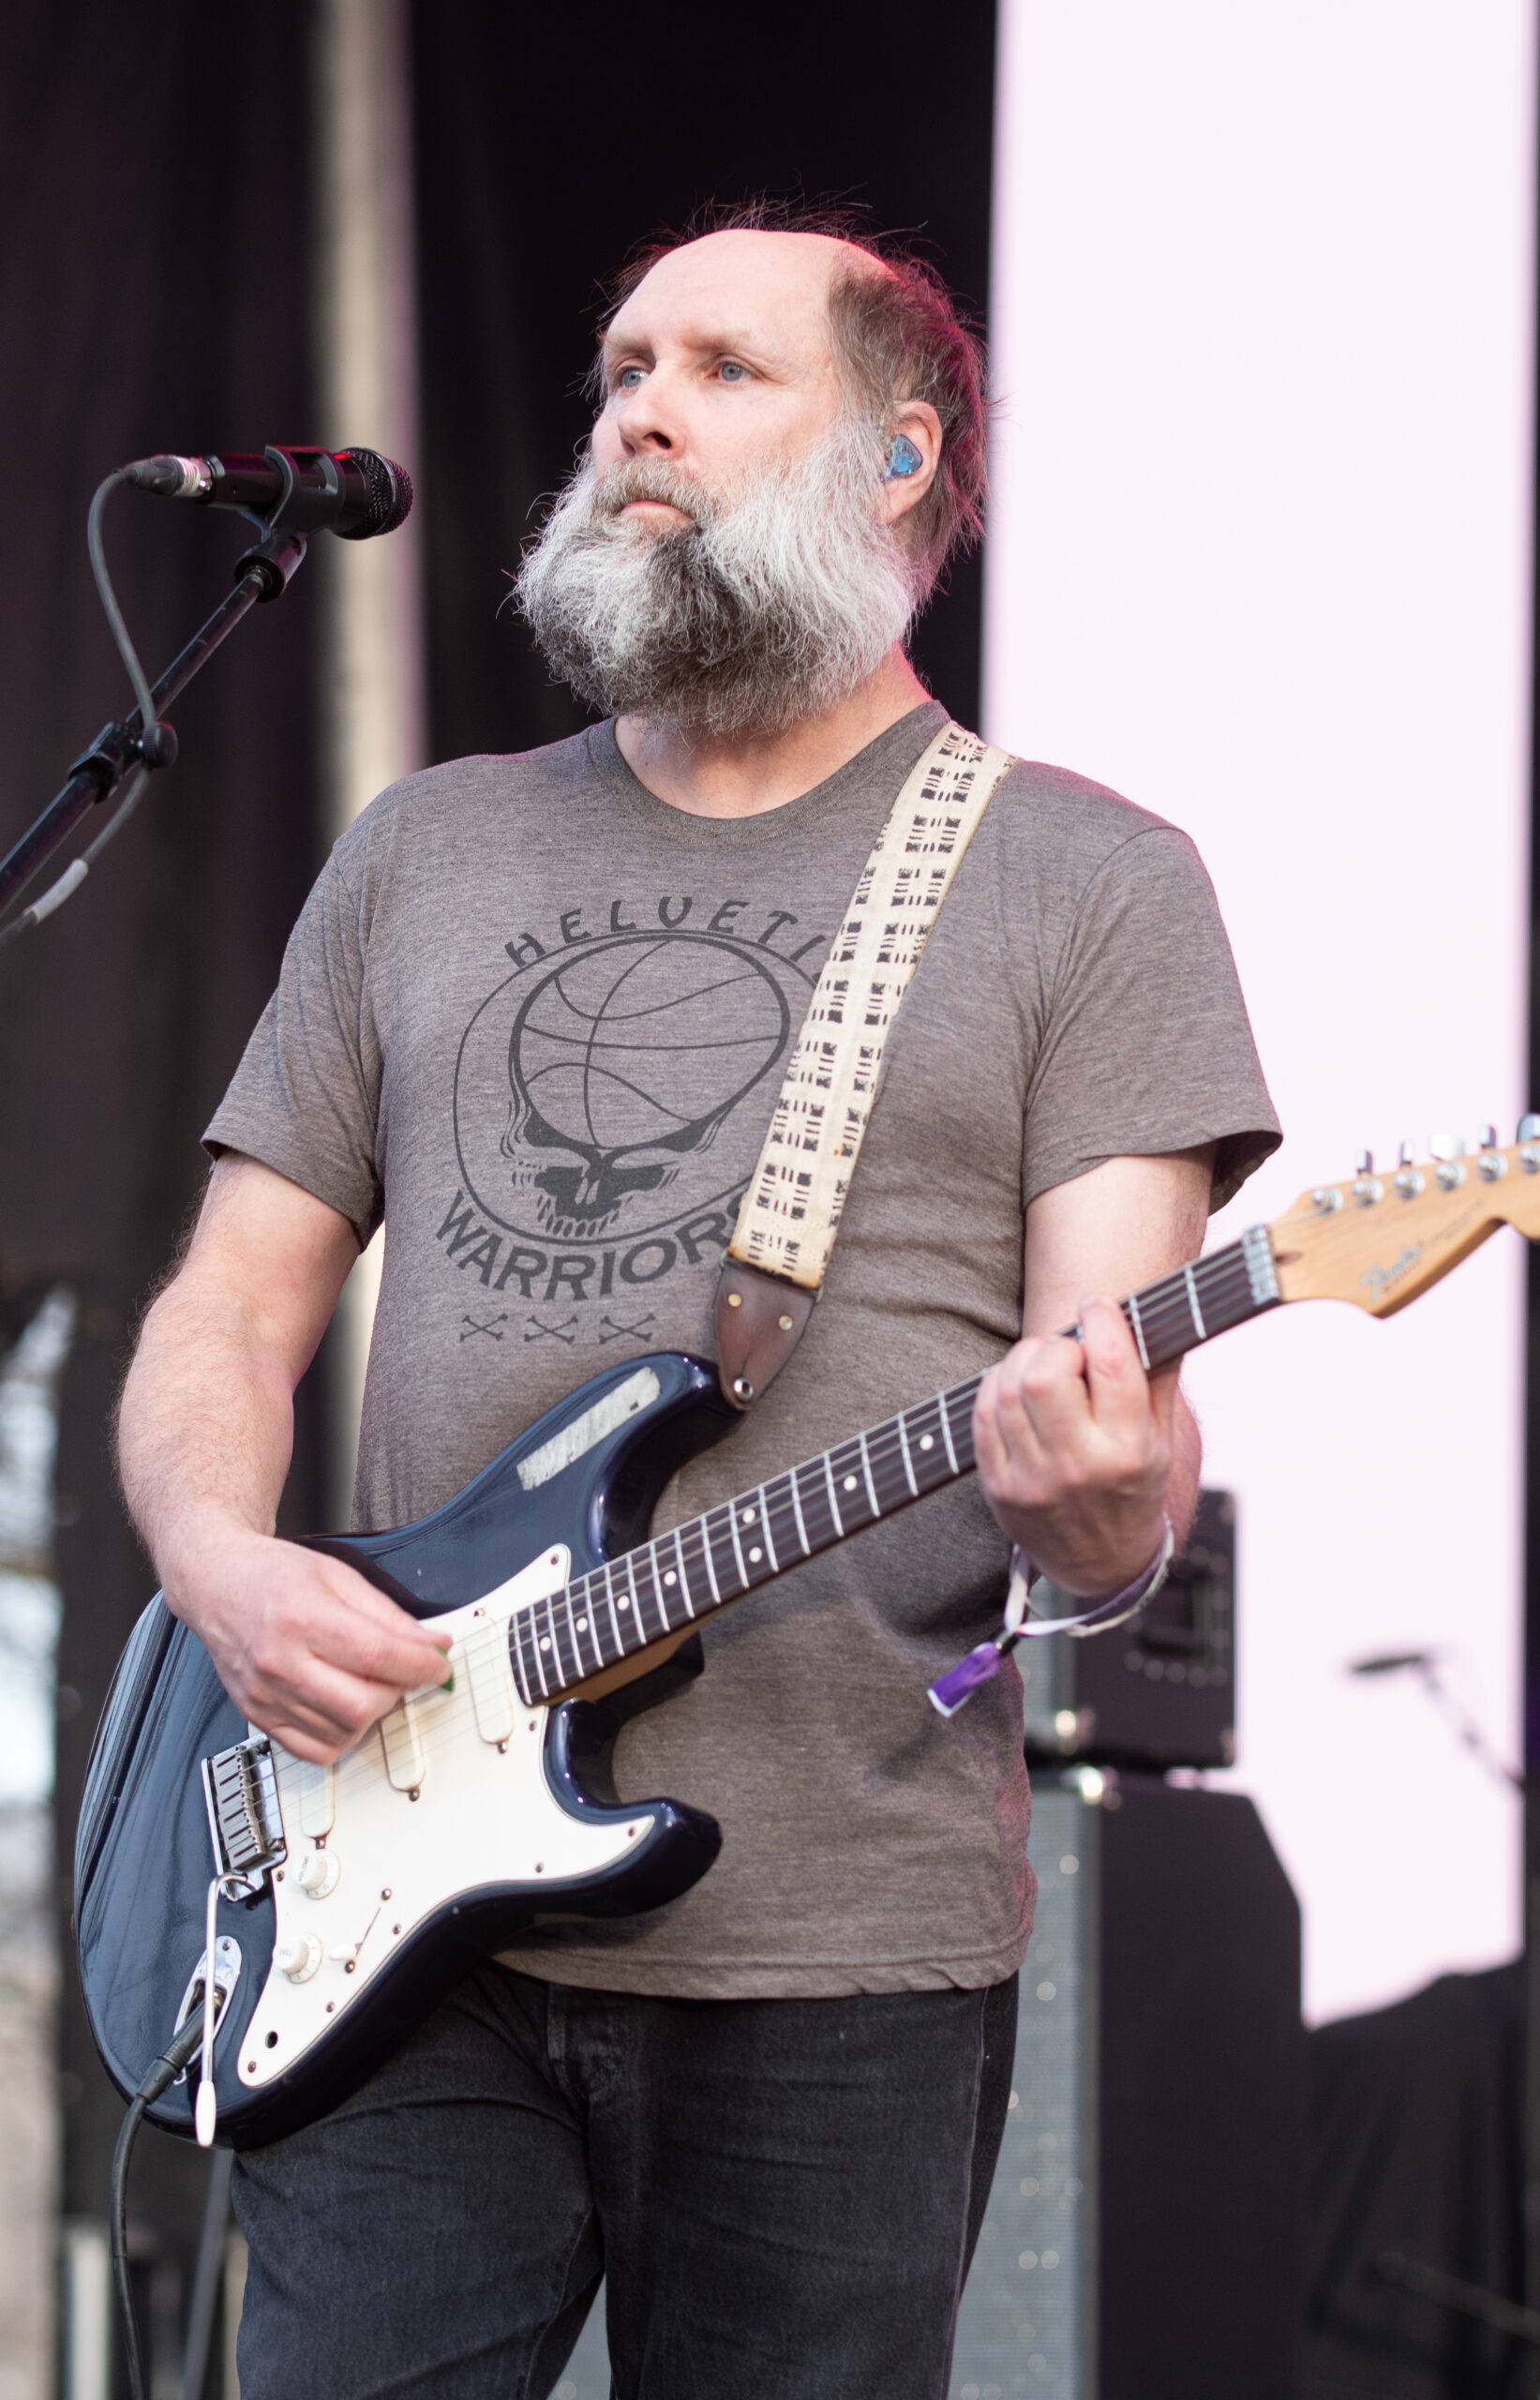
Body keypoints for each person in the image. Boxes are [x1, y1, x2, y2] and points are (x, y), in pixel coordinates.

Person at [117, 206, 1278, 2399]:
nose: (638, 403)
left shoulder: (1082, 880)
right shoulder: (425, 849)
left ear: (899, 463)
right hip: (393, 1908)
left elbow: (1107, 1447)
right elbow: (229, 1304)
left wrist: (1099, 1501)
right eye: (621, 364)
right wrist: (216, 1564)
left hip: (836, 1948)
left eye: (725, 369)